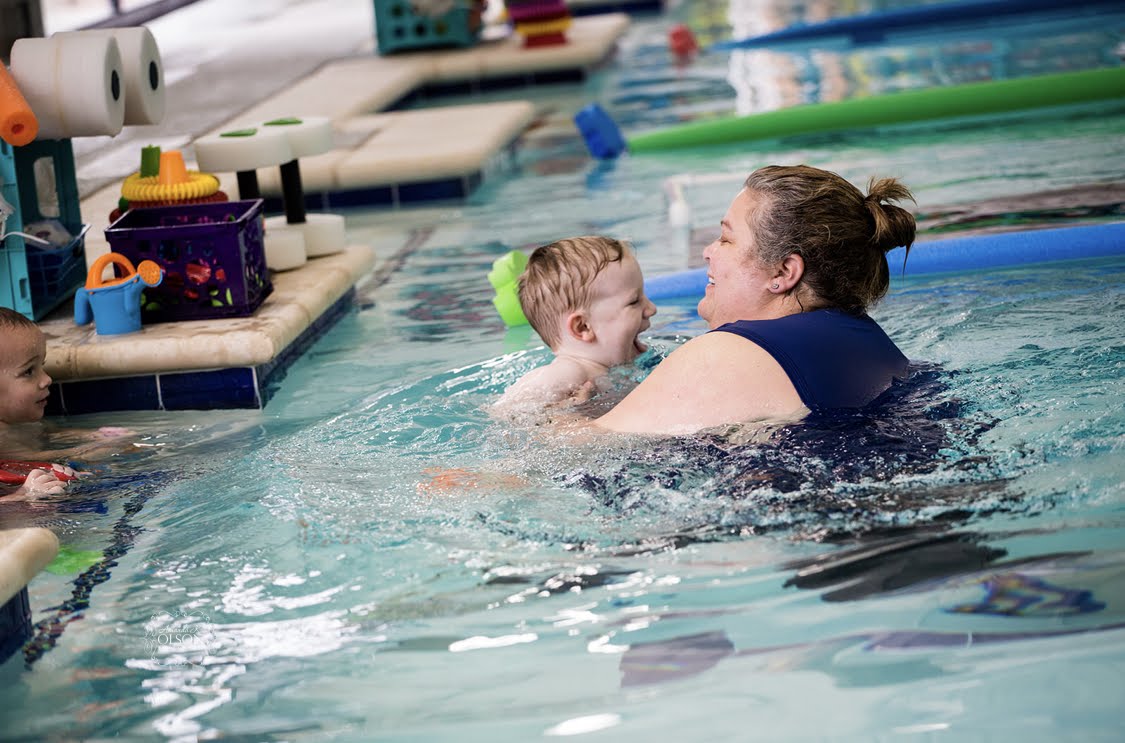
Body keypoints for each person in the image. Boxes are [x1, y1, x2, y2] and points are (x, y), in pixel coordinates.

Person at [593, 164, 916, 435]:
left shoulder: (725, 354)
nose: (708, 252)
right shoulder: (868, 342)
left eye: (726, 239)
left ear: (783, 272)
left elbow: (575, 451)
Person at [492, 236, 657, 418]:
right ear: (583, 327)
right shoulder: (570, 372)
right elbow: (504, 412)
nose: (651, 309)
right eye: (634, 301)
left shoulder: (609, 370)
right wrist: (564, 420)